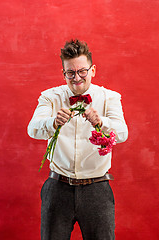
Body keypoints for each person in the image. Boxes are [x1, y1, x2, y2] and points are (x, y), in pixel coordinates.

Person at [27, 39, 128, 240]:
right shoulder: (50, 97)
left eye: (82, 71)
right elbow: (33, 129)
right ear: (64, 73)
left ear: (93, 70)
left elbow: (123, 133)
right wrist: (52, 122)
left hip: (97, 189)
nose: (77, 78)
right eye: (70, 73)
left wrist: (101, 121)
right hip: (57, 188)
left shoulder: (109, 98)